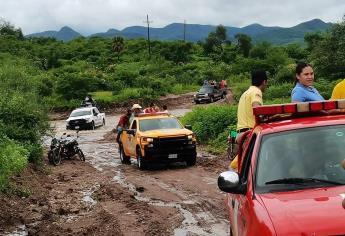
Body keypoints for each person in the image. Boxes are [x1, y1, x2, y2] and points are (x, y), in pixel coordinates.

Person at [230, 70, 268, 170]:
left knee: (243, 166)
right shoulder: (256, 91)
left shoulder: (245, 93)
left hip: (240, 134)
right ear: (264, 82)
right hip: (249, 134)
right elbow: (257, 109)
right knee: (254, 167)